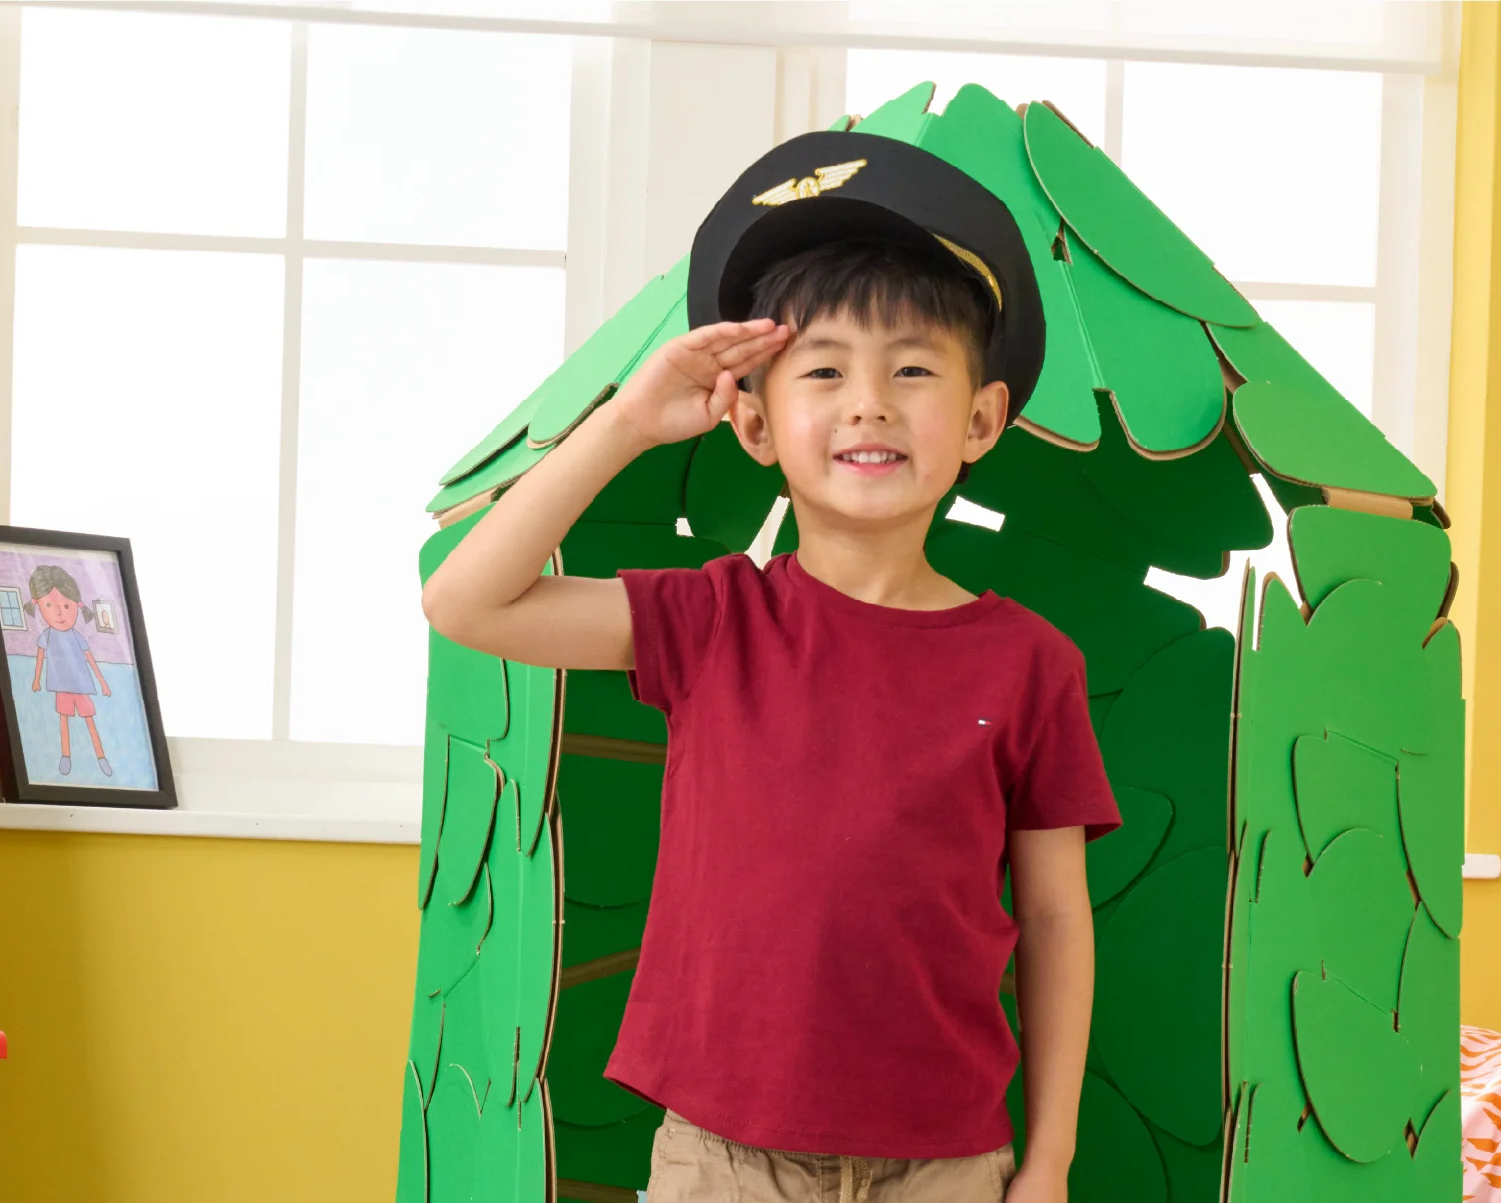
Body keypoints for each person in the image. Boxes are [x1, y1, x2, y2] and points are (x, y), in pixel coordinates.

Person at [423, 131, 1114, 1203]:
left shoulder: (1029, 665)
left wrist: (1050, 1158)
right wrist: (624, 426)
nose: (868, 402)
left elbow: (1057, 919)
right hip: (719, 1160)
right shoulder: (711, 620)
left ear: (980, 419)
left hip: (947, 1164)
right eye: (825, 370)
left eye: (913, 369)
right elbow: (465, 600)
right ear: (753, 419)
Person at [26, 564, 112, 778]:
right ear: (40, 607)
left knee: (90, 720)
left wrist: (103, 682)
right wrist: (36, 679)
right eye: (49, 605)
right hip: (61, 686)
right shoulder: (46, 635)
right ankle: (66, 755)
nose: (59, 612)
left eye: (66, 606)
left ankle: (101, 756)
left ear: (77, 606)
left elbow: (90, 660)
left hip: (81, 686)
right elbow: (40, 657)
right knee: (63, 719)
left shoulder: (76, 636)